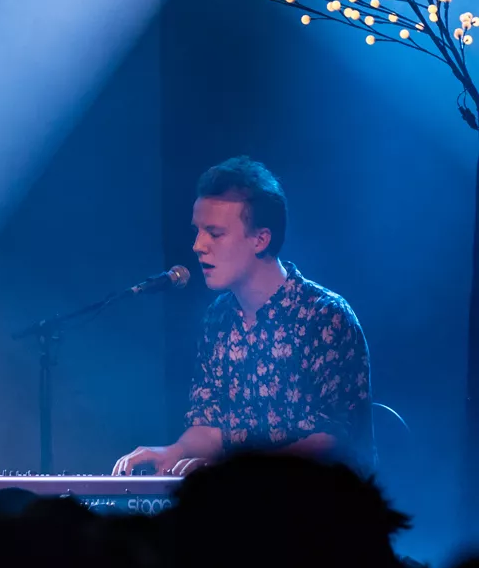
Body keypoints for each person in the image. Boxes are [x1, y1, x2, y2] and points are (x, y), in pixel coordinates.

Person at [115, 156, 372, 477]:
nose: (197, 246)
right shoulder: (218, 318)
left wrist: (235, 474)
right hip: (244, 505)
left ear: (261, 239)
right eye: (197, 232)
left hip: (323, 508)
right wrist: (174, 452)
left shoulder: (324, 315)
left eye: (215, 233)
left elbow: (330, 440)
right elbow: (210, 425)